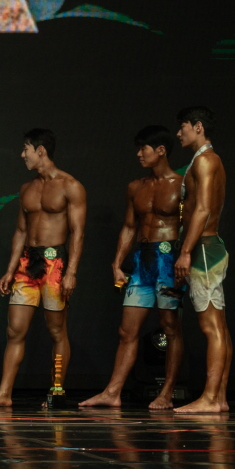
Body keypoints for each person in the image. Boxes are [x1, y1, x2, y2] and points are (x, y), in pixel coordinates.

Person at [79, 126, 185, 410]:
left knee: (170, 327)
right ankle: (112, 392)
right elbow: (129, 226)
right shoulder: (135, 187)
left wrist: (185, 256)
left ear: (161, 150)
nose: (138, 154)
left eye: (143, 148)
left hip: (169, 260)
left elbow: (193, 224)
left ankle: (167, 393)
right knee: (127, 331)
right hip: (142, 261)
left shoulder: (182, 185)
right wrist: (117, 263)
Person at [0, 129, 86, 408]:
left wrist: (71, 272)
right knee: (15, 330)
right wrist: (9, 270)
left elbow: (77, 232)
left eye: (25, 149)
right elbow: (20, 231)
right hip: (27, 263)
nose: (22, 155)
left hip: (55, 263)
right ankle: (4, 394)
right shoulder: (26, 188)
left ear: (41, 150)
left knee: (56, 331)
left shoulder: (70, 186)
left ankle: (57, 391)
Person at [173, 105, 231, 414]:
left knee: (211, 327)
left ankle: (210, 398)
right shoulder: (202, 160)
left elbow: (204, 208)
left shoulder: (206, 160)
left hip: (204, 249)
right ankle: (219, 398)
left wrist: (185, 251)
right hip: (205, 247)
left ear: (198, 127)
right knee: (218, 326)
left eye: (182, 127)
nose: (178, 133)